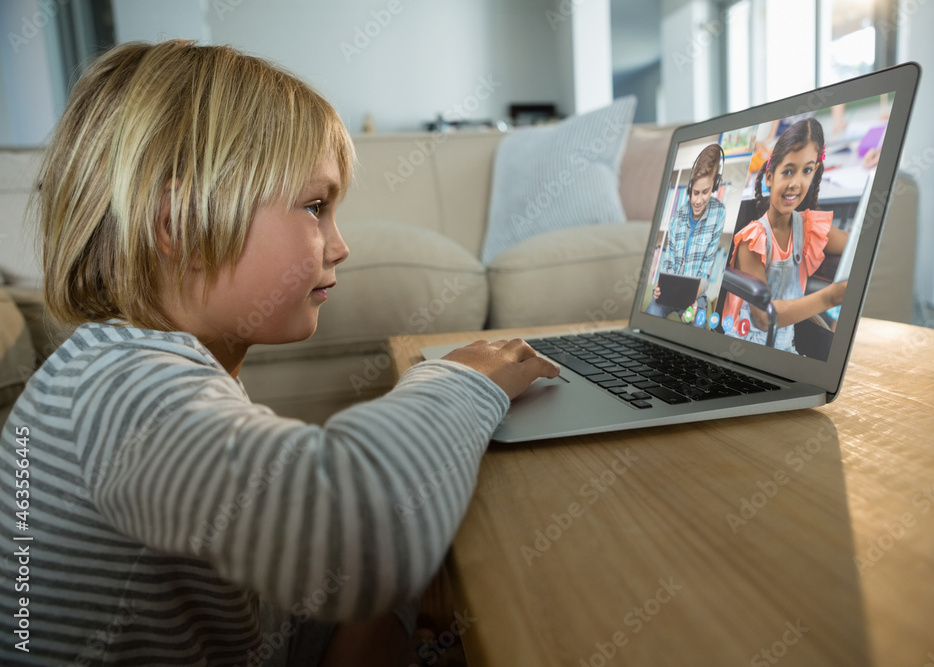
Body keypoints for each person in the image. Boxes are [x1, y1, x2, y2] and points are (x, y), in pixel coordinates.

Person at [0, 40, 558, 666]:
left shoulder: (126, 364)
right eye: (316, 207)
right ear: (180, 222)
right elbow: (360, 537)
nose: (339, 245)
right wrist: (459, 381)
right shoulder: (121, 387)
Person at [723, 117, 849, 353]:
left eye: (807, 171)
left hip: (786, 350)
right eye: (788, 171)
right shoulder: (754, 239)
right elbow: (763, 318)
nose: (796, 183)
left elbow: (856, 246)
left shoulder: (809, 229)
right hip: (748, 352)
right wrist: (829, 298)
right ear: (770, 176)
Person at [645, 144, 727, 322]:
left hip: (695, 294)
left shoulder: (719, 213)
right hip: (670, 293)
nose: (698, 200)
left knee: (697, 325)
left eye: (705, 192)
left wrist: (692, 298)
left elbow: (706, 270)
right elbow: (667, 262)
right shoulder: (677, 217)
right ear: (689, 188)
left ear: (715, 186)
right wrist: (659, 288)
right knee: (651, 314)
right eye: (695, 193)